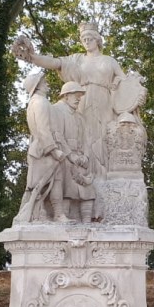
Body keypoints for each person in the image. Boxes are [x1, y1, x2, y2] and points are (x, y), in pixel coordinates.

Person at [12, 23, 126, 177]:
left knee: (104, 136)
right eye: (83, 39)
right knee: (83, 136)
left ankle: (104, 175)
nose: (86, 41)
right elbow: (55, 63)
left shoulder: (109, 61)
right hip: (82, 100)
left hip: (105, 101)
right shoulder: (77, 60)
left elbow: (124, 81)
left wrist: (119, 82)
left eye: (89, 38)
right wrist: (32, 57)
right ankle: (85, 174)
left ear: (97, 40)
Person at [14, 72, 70, 223]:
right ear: (37, 85)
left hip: (44, 148)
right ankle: (37, 215)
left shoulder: (38, 102)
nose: (47, 84)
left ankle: (57, 214)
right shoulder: (40, 102)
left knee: (55, 181)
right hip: (43, 151)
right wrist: (53, 150)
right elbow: (43, 129)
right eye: (44, 82)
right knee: (40, 186)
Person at [51, 81, 96, 222]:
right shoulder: (56, 111)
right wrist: (71, 155)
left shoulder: (79, 117)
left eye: (80, 96)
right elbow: (57, 136)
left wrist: (86, 157)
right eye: (76, 95)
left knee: (88, 191)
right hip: (65, 158)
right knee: (67, 189)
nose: (78, 99)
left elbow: (87, 139)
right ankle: (63, 220)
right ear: (66, 96)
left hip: (80, 159)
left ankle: (87, 223)